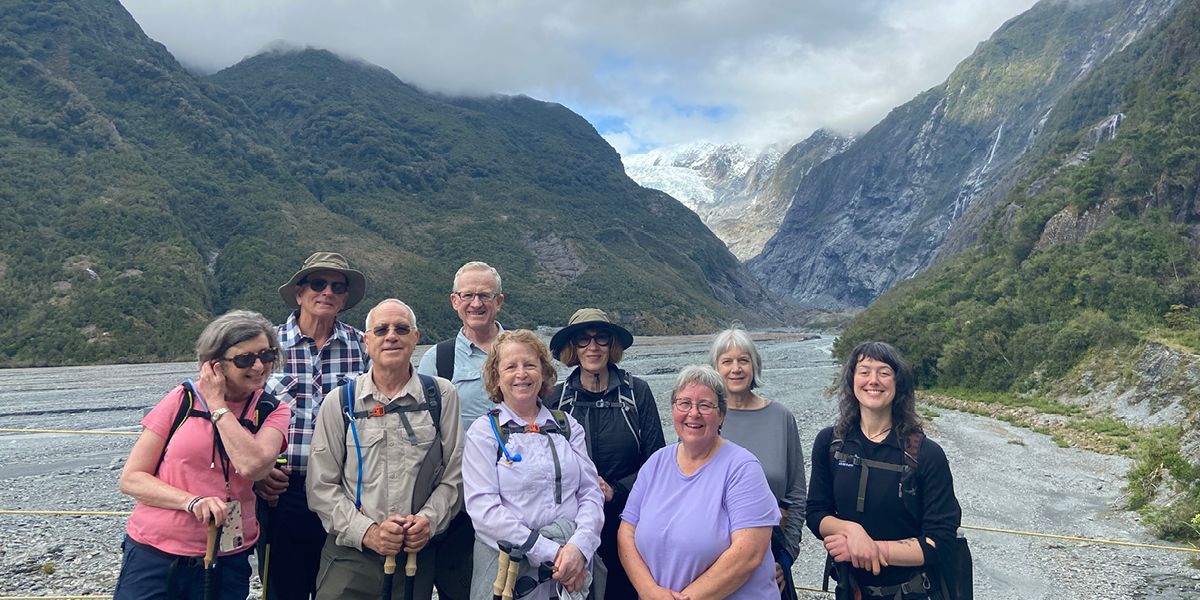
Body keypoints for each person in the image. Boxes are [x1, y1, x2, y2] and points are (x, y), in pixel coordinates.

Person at [114, 311, 291, 600]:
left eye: (266, 355)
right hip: (155, 552)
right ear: (215, 364)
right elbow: (132, 479)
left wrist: (217, 405)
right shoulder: (181, 400)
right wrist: (191, 501)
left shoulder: (272, 410)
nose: (259, 366)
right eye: (245, 359)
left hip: (228, 557)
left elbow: (253, 466)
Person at [306, 299, 463, 600]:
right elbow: (320, 486)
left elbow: (455, 476)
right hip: (350, 556)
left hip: (415, 556)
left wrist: (429, 521)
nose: (391, 336)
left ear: (415, 338)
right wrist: (367, 533)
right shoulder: (340, 402)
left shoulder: (442, 396)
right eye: (381, 330)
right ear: (367, 341)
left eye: (401, 329)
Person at [806, 341, 962, 600]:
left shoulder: (926, 454)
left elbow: (941, 540)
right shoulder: (830, 443)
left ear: (898, 383)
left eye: (884, 372)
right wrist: (852, 532)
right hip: (850, 591)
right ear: (852, 380)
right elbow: (815, 512)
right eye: (864, 371)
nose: (873, 380)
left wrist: (870, 549)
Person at [257, 251, 370, 600]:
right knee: (283, 591)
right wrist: (257, 472)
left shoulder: (363, 347)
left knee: (342, 591)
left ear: (345, 298)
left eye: (338, 287)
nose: (328, 292)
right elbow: (241, 414)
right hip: (282, 492)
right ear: (299, 293)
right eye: (318, 284)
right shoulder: (265, 346)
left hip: (346, 492)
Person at [462, 330, 604, 600]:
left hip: (572, 571)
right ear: (496, 377)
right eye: (510, 367)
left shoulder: (567, 426)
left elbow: (590, 493)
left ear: (544, 372)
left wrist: (580, 548)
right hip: (509, 575)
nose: (521, 374)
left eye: (529, 364)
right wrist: (551, 553)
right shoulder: (484, 432)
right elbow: (483, 510)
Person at [618, 365, 779, 600]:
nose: (693, 413)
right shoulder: (655, 463)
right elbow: (626, 533)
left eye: (705, 405)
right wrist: (648, 590)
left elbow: (748, 554)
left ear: (721, 414)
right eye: (684, 403)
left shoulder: (743, 469)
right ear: (673, 409)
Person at [547, 308, 665, 599]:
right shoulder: (555, 400)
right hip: (572, 525)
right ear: (572, 348)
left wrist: (616, 489)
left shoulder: (637, 393)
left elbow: (658, 462)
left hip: (628, 521)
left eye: (601, 338)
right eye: (583, 339)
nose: (593, 346)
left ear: (612, 345)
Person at [416, 260, 505, 600]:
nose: (476, 303)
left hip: (514, 498)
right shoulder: (437, 360)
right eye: (467, 295)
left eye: (485, 295)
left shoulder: (522, 351)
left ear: (499, 301)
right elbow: (423, 432)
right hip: (458, 503)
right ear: (454, 301)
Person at [709, 328, 806, 597]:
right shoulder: (706, 418)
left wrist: (786, 557)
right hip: (713, 560)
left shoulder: (781, 417)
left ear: (755, 365)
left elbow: (797, 494)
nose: (736, 369)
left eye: (744, 360)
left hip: (771, 559)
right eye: (727, 361)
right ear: (715, 369)